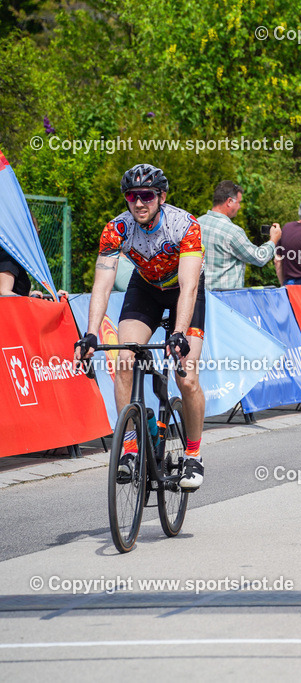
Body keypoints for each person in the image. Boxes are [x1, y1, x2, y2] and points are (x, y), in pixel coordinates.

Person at [73, 164, 207, 489]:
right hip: (145, 288)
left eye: (146, 195)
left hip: (182, 292)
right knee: (124, 359)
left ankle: (193, 454)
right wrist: (90, 333)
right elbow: (102, 285)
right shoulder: (116, 229)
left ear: (161, 196)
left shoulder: (184, 225)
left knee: (186, 377)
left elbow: (189, 286)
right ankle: (130, 447)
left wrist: (178, 332)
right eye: (132, 196)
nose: (139, 203)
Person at [200, 180, 281, 290]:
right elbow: (259, 257)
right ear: (229, 201)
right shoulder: (232, 232)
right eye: (238, 202)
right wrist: (273, 240)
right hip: (224, 301)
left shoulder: (196, 224)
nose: (240, 207)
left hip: (200, 298)